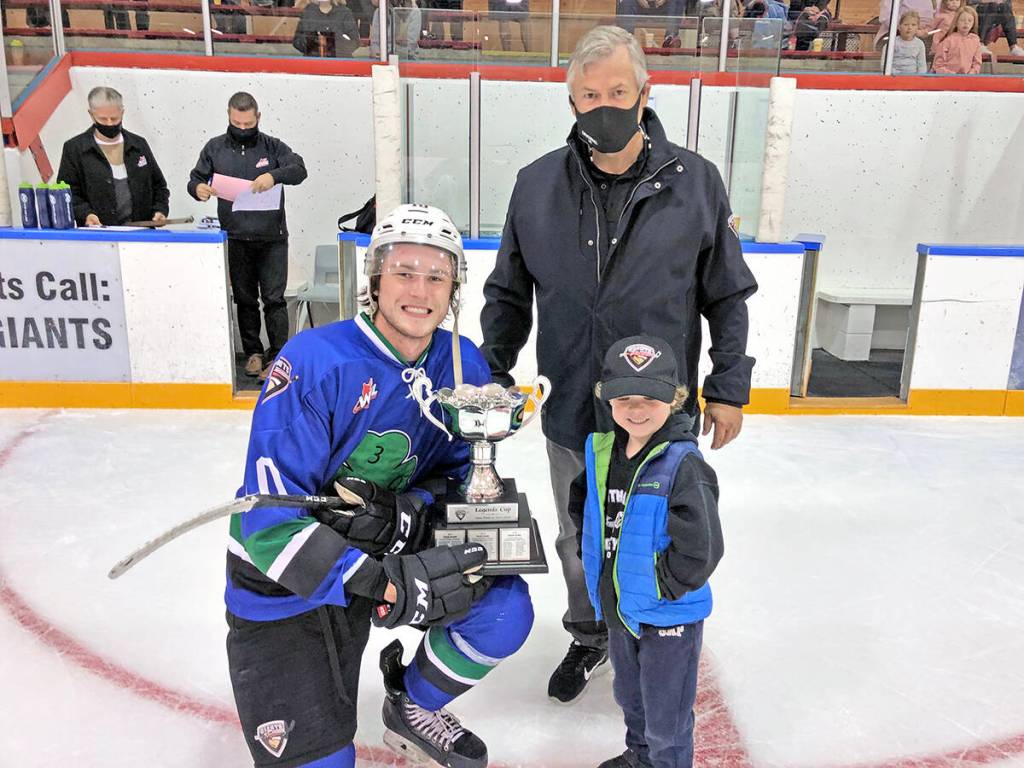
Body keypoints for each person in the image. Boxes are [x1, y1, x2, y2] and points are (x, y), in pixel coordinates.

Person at [479, 25, 756, 705]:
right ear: (571, 101)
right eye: (589, 94)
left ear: (644, 92)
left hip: (659, 410)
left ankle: (653, 636)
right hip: (572, 400)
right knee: (578, 531)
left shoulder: (696, 183)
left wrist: (727, 387)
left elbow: (726, 293)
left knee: (660, 525)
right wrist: (491, 374)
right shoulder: (536, 184)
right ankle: (590, 634)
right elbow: (508, 293)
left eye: (618, 91)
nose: (604, 104)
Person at [224, 203, 534, 768]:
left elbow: (462, 478)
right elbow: (266, 523)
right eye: (404, 272)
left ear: (454, 288)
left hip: (386, 542)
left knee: (503, 608)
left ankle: (412, 709)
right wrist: (380, 581)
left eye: (437, 275)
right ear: (374, 280)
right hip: (287, 583)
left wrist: (411, 509)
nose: (421, 289)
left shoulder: (462, 362)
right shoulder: (315, 360)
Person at [569, 335, 723, 768]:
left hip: (666, 615)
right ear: (607, 399)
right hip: (621, 606)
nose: (636, 410)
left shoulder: (683, 464)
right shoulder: (603, 452)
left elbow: (703, 546)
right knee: (631, 698)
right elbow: (583, 506)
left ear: (674, 400)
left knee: (666, 719)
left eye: (649, 399)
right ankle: (640, 758)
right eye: (625, 399)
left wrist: (660, 585)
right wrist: (597, 560)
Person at [187, 92, 307, 382]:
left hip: (271, 238)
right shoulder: (214, 148)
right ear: (228, 116)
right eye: (236, 122)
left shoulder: (273, 146)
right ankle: (253, 352)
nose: (242, 128)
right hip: (237, 237)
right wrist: (199, 190)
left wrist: (274, 176)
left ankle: (279, 355)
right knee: (245, 299)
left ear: (258, 118)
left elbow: (299, 170)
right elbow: (195, 179)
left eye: (248, 123)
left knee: (274, 299)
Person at [57, 86, 170, 228]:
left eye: (115, 118)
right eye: (103, 119)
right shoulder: (74, 148)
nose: (110, 123)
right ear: (91, 114)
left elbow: (159, 186)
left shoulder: (139, 145)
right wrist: (86, 214)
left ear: (122, 113)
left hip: (140, 234)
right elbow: (67, 192)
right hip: (97, 235)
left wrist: (159, 210)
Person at [292, 0, 361, 57]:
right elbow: (297, 42)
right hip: (313, 62)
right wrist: (312, 41)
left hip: (340, 62)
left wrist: (335, 41)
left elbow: (355, 42)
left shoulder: (345, 12)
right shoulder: (308, 12)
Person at [932, 4, 983, 72]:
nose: (966, 23)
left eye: (969, 20)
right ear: (956, 22)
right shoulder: (948, 40)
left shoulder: (975, 40)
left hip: (968, 79)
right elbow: (938, 65)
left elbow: (977, 63)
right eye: (962, 20)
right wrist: (950, 74)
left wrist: (972, 73)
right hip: (948, 78)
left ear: (973, 23)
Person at [616, 0, 685, 48]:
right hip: (639, 6)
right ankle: (626, 38)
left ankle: (670, 37)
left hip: (662, 7)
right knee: (626, 2)